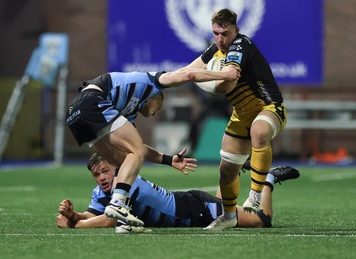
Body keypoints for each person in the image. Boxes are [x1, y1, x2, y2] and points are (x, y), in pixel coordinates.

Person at [65, 67, 240, 227]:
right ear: (155, 96)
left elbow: (138, 149)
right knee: (134, 152)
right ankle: (117, 204)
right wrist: (224, 75)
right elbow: (189, 74)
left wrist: (169, 160)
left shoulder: (126, 113)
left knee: (124, 160)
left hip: (74, 114)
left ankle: (126, 220)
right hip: (92, 102)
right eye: (159, 106)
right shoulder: (152, 81)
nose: (156, 112)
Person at [178, 8, 287, 230]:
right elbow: (188, 70)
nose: (220, 38)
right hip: (241, 116)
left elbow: (224, 86)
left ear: (236, 30)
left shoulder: (239, 46)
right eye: (216, 33)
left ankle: (256, 194)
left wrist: (196, 78)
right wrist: (160, 82)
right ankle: (228, 217)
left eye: (225, 33)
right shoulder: (214, 49)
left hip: (268, 107)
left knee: (259, 132)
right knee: (226, 171)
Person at [56, 154, 300, 232]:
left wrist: (73, 225)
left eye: (105, 171)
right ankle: (233, 171)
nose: (102, 178)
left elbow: (110, 220)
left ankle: (268, 179)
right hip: (194, 207)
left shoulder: (126, 183)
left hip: (196, 210)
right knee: (221, 201)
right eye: (97, 175)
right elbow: (94, 213)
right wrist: (75, 214)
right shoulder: (101, 191)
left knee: (262, 221)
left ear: (116, 168)